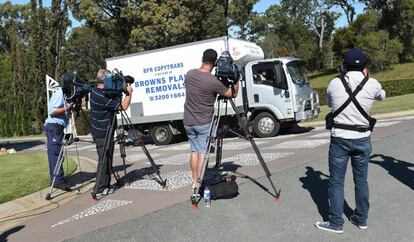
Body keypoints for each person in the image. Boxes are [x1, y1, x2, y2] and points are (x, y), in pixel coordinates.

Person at [315, 48, 386, 233]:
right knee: (361, 181)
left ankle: (336, 222)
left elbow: (331, 104)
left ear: (344, 66)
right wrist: (366, 77)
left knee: (336, 182)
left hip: (340, 138)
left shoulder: (334, 83)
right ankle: (361, 219)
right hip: (362, 138)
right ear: (365, 67)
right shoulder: (372, 83)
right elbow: (382, 96)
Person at [183, 49, 239, 190]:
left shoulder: (189, 75)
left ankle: (194, 180)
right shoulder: (213, 81)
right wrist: (237, 80)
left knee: (194, 151)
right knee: (203, 152)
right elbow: (232, 94)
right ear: (215, 63)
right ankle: (200, 184)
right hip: (204, 123)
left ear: (202, 59)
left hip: (188, 121)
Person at [90, 69, 133, 197]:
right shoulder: (100, 95)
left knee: (107, 159)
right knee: (104, 161)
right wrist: (129, 94)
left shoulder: (98, 92)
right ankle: (98, 189)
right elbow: (123, 107)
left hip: (105, 131)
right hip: (103, 133)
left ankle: (105, 186)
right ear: (105, 80)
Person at [44, 82, 74, 191]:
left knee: (58, 154)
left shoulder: (66, 95)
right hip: (53, 126)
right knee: (55, 154)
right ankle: (57, 181)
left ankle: (58, 178)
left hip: (58, 127)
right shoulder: (59, 93)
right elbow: (52, 111)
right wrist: (68, 107)